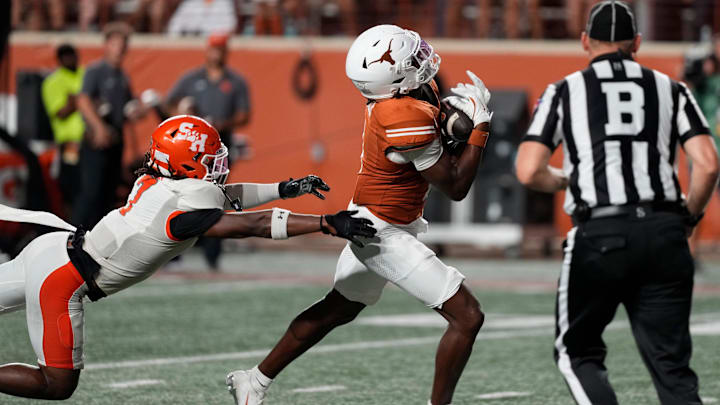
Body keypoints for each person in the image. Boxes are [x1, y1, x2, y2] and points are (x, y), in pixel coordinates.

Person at [0, 115, 375, 401]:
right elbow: (253, 225)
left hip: (53, 250)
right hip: (63, 281)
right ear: (184, 163)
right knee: (58, 384)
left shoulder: (161, 180)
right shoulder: (179, 212)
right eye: (207, 158)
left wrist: (285, 188)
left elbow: (226, 196)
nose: (217, 164)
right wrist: (325, 223)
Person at [226, 24, 492, 405]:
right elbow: (456, 185)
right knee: (467, 316)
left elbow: (440, 135)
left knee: (336, 309)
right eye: (410, 58)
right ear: (393, 78)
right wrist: (480, 128)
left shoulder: (408, 96)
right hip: (381, 232)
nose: (422, 59)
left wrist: (456, 125)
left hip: (379, 220)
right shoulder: (399, 112)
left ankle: (254, 380)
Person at [515, 2, 719, 404]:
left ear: (585, 41)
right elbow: (708, 165)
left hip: (601, 233)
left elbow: (528, 170)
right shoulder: (671, 88)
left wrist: (570, 181)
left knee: (578, 352)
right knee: (673, 369)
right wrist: (689, 217)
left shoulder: (564, 90)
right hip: (664, 231)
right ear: (637, 43)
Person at [165, 32, 251, 269]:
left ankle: (212, 256)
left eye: (221, 48)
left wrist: (223, 124)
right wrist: (185, 115)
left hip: (219, 150)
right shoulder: (191, 79)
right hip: (191, 151)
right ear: (207, 50)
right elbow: (170, 103)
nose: (217, 53)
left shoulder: (235, 81)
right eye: (213, 48)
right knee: (182, 197)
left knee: (214, 199)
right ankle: (174, 254)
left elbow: (245, 114)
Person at [75, 22, 138, 228]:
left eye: (123, 43)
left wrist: (138, 109)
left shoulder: (122, 76)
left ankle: (95, 241)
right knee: (91, 192)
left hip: (115, 140)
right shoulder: (96, 71)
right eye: (116, 43)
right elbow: (83, 100)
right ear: (107, 45)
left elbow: (126, 109)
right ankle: (72, 236)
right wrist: (98, 127)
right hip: (96, 141)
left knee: (108, 193)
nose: (120, 48)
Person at [42, 44, 85, 212]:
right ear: (59, 60)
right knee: (71, 183)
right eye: (66, 57)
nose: (70, 60)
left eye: (72, 55)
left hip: (89, 142)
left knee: (90, 185)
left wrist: (75, 100)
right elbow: (59, 112)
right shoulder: (53, 82)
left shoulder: (85, 74)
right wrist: (80, 101)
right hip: (70, 144)